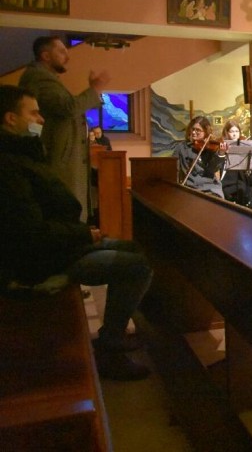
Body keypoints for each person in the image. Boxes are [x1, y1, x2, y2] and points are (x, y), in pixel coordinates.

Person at [0, 85, 153, 381]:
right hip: (38, 264)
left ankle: (115, 332)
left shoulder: (22, 154)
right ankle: (111, 349)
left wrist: (80, 233)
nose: (41, 119)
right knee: (136, 266)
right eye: (33, 113)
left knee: (132, 249)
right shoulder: (8, 165)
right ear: (10, 119)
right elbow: (30, 233)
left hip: (55, 248)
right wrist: (83, 235)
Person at [19, 36, 109, 221]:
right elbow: (67, 108)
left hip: (62, 159)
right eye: (61, 52)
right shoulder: (39, 78)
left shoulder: (47, 78)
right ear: (45, 55)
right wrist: (95, 89)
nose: (66, 57)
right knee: (65, 216)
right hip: (58, 161)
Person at [174, 116, 225, 198]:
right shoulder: (182, 148)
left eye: (198, 130)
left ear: (206, 132)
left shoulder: (210, 148)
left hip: (211, 188)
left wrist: (221, 153)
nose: (194, 132)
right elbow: (173, 167)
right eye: (193, 129)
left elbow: (213, 169)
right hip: (192, 188)